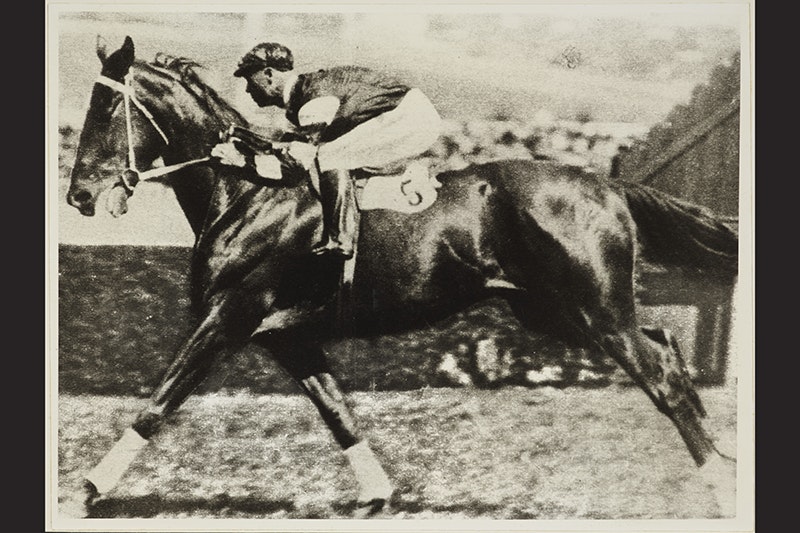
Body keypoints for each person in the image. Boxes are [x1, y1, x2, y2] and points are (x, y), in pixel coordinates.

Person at [212, 42, 442, 258]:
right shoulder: (302, 95)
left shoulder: (312, 101)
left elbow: (295, 164)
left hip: (410, 118)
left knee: (329, 156)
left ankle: (341, 238)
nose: (247, 90)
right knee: (330, 153)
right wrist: (246, 139)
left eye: (249, 80)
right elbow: (289, 145)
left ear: (268, 74)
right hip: (403, 111)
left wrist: (241, 162)